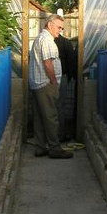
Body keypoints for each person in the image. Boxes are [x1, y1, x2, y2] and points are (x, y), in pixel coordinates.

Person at [28, 14, 73, 159]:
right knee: (51, 116)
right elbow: (48, 63)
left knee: (40, 117)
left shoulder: (40, 38)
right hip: (46, 84)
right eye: (59, 27)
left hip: (37, 84)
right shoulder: (47, 40)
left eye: (62, 28)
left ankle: (41, 147)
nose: (60, 30)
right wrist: (54, 81)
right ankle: (55, 148)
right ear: (49, 24)